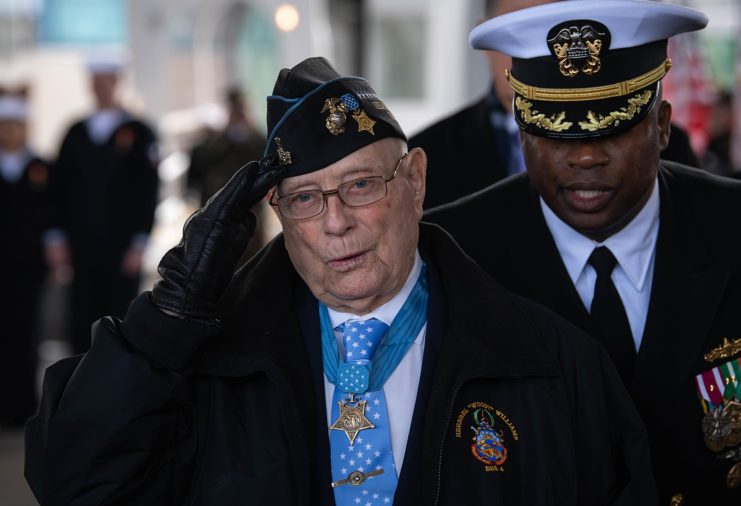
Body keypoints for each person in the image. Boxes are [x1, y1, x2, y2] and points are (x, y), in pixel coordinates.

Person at [26, 57, 657, 505]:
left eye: (361, 185)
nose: (335, 223)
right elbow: (75, 484)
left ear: (414, 181)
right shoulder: (206, 368)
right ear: (277, 213)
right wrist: (161, 328)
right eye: (304, 198)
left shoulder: (548, 362)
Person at [424, 2, 740, 504]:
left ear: (661, 125)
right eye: (554, 129)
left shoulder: (731, 226)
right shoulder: (449, 252)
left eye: (611, 125)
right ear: (522, 131)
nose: (585, 155)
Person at [410, 0, 699, 211]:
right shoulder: (429, 153)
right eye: (522, 25)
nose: (586, 156)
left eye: (612, 129)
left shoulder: (674, 150)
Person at [44, 57, 159, 355]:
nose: (103, 87)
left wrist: (139, 240)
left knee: (119, 321)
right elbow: (58, 188)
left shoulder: (139, 131)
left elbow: (148, 189)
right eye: (97, 80)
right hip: (81, 246)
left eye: (108, 79)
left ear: (118, 81)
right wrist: (56, 237)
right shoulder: (76, 132)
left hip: (121, 248)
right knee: (80, 320)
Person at [0, 90, 52, 428]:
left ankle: (22, 407)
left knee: (26, 331)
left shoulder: (40, 168)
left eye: (17, 124)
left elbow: (52, 215)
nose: (10, 132)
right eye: (5, 125)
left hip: (29, 267)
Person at [187, 86, 271, 261]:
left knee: (252, 263)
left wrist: (249, 131)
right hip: (217, 213)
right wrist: (226, 134)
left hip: (251, 214)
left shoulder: (255, 139)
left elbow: (266, 158)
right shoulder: (215, 143)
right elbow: (199, 163)